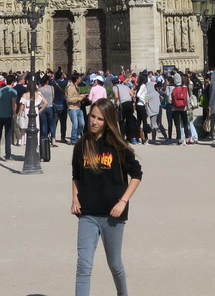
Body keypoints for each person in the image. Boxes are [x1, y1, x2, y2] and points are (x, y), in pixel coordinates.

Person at [71, 98, 143, 296]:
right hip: (88, 213)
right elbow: (76, 176)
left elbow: (136, 175)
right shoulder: (81, 145)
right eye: (92, 116)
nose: (94, 122)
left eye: (100, 119)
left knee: (114, 264)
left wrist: (123, 201)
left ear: (108, 121)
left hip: (113, 214)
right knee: (83, 265)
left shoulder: (119, 147)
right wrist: (75, 199)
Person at [0, 75, 18, 160]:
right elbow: (13, 103)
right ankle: (8, 156)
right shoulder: (13, 92)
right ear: (12, 82)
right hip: (8, 115)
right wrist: (14, 112)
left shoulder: (0, 91)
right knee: (8, 136)